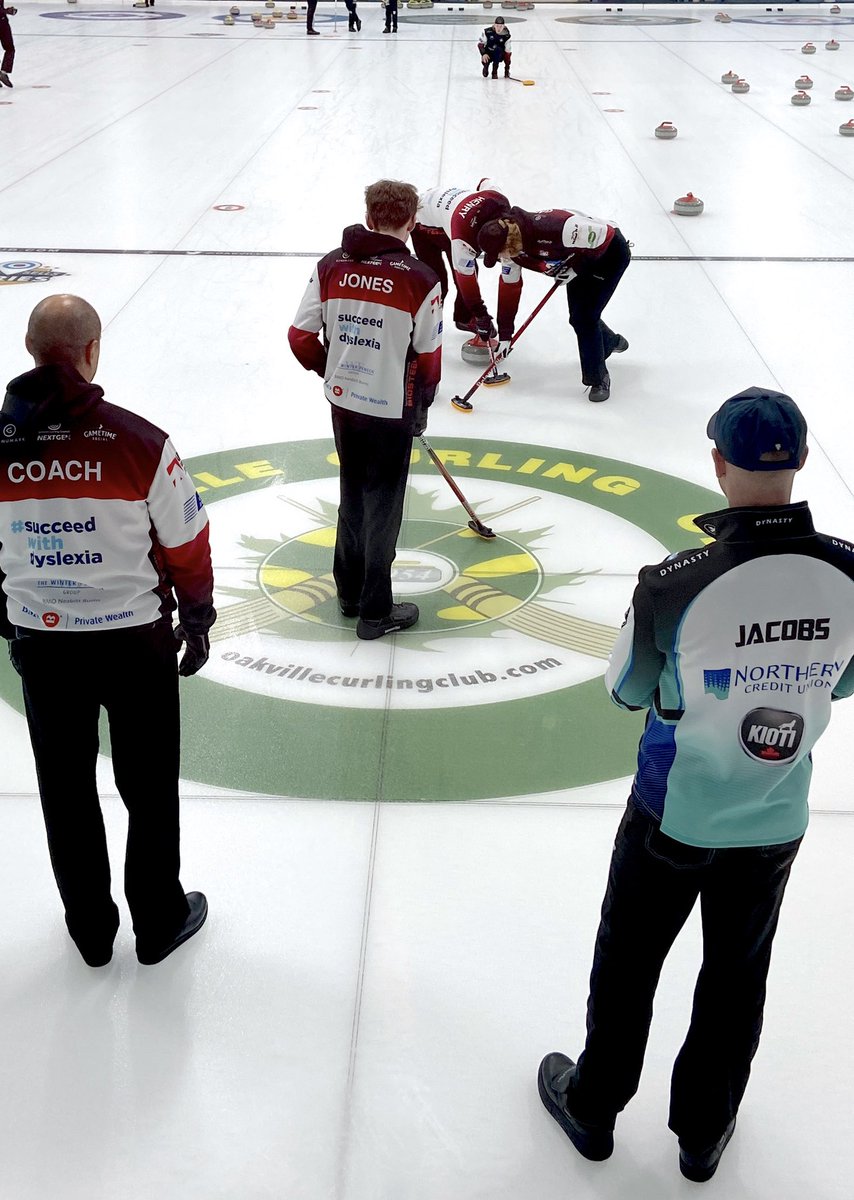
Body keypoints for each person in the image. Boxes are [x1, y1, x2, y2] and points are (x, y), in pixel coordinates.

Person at [538, 388, 854, 1182]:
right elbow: (843, 686)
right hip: (775, 815)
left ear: (717, 464)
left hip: (672, 812)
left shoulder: (674, 585)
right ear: (804, 461)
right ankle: (704, 1131)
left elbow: (624, 690)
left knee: (629, 960)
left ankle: (595, 1105)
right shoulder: (850, 573)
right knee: (738, 973)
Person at [0, 295, 215, 968]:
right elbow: (187, 543)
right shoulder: (139, 442)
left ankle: (90, 932)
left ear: (33, 350)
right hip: (135, 643)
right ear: (91, 351)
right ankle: (158, 920)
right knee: (149, 784)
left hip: (44, 642)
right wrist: (198, 614)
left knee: (64, 790)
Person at [287, 180, 442, 641]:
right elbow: (428, 358)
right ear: (412, 222)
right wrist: (422, 404)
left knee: (352, 492)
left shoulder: (331, 266)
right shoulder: (420, 278)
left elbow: (299, 337)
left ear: (370, 216)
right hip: (391, 409)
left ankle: (349, 592)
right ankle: (375, 611)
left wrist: (329, 368)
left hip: (343, 402)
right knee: (384, 506)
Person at [477, 205, 630, 402]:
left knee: (585, 318)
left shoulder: (557, 227)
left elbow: (604, 236)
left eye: (499, 253)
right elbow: (509, 292)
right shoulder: (512, 255)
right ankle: (610, 342)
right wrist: (506, 335)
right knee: (578, 317)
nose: (499, 259)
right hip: (576, 260)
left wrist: (577, 268)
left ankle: (598, 379)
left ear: (509, 242)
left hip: (608, 255)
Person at [411, 181, 510, 341]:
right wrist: (480, 313)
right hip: (422, 222)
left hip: (445, 209)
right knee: (437, 282)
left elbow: (485, 181)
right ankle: (422, 323)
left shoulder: (497, 198)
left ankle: (463, 318)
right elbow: (465, 278)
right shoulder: (462, 236)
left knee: (470, 268)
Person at [0, 1, 16, 89]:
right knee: (10, 48)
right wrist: (6, 11)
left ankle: (3, 73)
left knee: (10, 48)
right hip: (2, 22)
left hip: (3, 21)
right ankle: (3, 72)